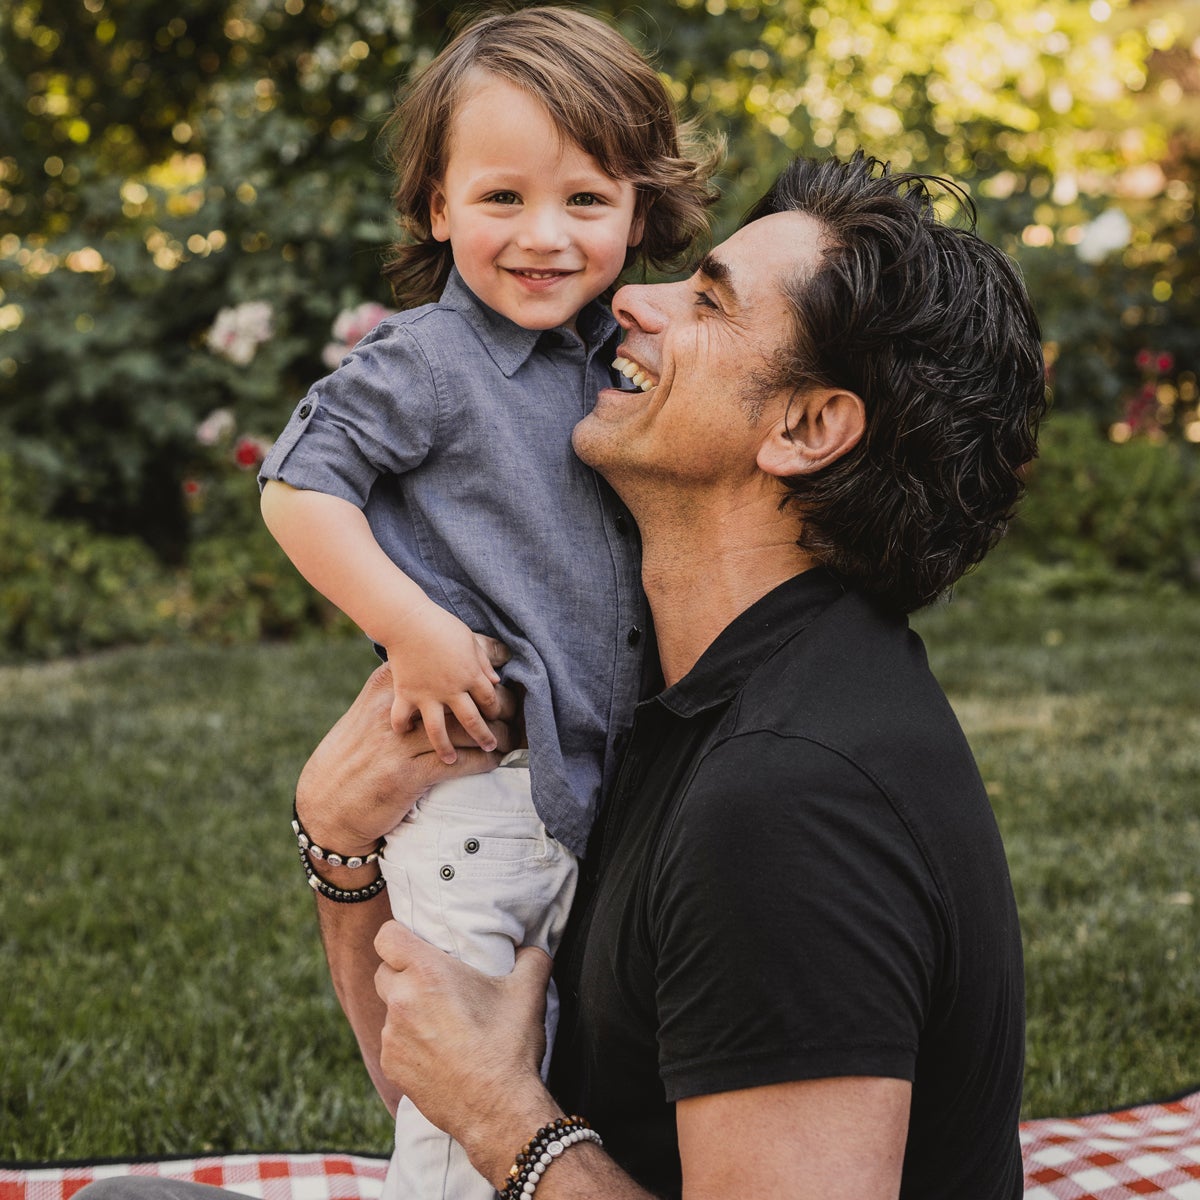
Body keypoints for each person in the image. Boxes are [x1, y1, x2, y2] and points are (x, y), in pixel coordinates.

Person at [76, 152, 1044, 1200]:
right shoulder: (659, 698)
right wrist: (340, 840)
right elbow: (432, 1086)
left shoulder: (789, 804)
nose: (632, 294)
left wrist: (507, 1117)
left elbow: (480, 1103)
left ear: (805, 429)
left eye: (707, 302)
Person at [257, 8, 715, 1199]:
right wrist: (412, 629)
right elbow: (297, 488)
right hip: (476, 790)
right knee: (462, 1074)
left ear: (637, 208)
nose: (546, 237)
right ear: (436, 207)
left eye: (586, 201)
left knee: (562, 1056)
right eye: (502, 198)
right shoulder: (427, 359)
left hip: (590, 785)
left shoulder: (623, 349)